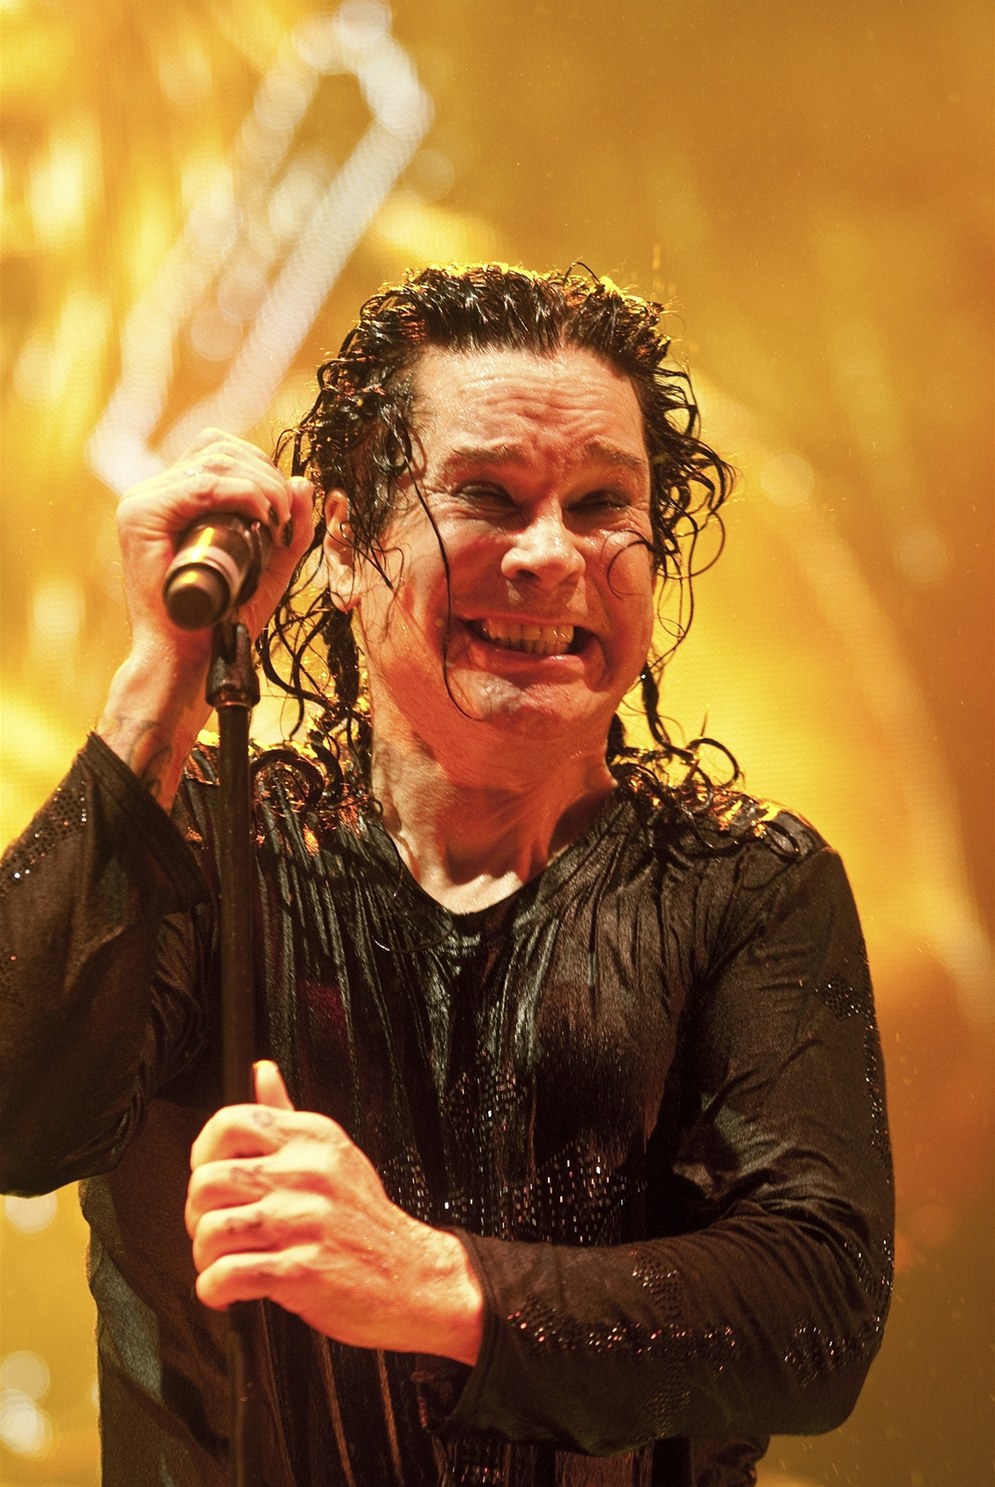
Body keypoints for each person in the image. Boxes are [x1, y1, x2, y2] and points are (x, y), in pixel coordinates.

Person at [0, 264, 894, 1486]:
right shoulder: (204, 851)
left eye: (601, 504)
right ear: (345, 545)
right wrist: (164, 673)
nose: (549, 554)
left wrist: (430, 1281)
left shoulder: (748, 884)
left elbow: (816, 1313)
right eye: (484, 495)